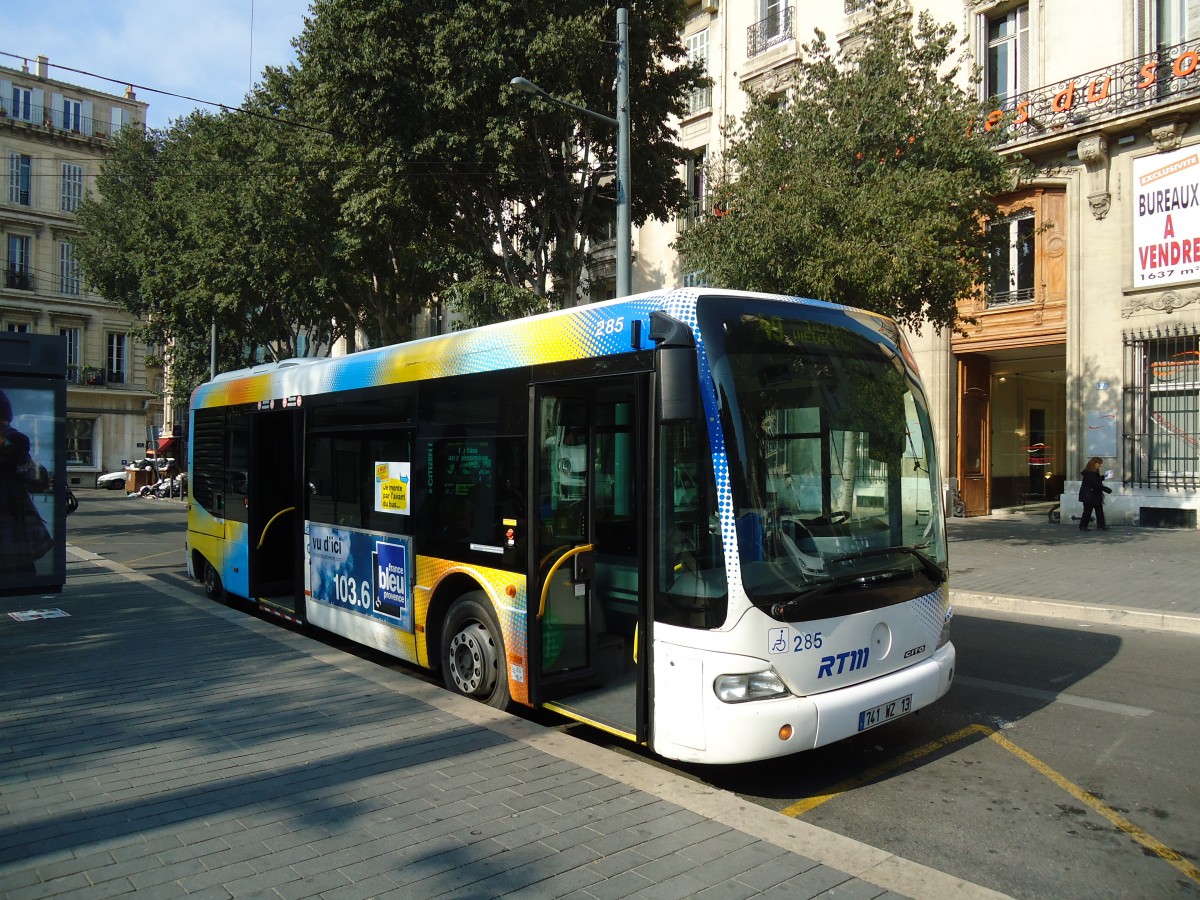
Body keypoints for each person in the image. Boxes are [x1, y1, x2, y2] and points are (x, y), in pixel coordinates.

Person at [0, 388, 54, 575]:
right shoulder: (13, 438)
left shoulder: (12, 439)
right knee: (19, 574)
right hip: (11, 526)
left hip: (10, 525)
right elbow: (36, 480)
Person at [1078, 456, 1112, 532]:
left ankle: (1101, 525)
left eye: (1100, 464)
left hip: (1094, 495)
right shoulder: (1089, 473)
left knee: (1099, 510)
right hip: (1089, 496)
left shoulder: (1094, 472)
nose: (1100, 465)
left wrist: (1105, 476)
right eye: (1098, 463)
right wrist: (1106, 489)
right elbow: (1095, 484)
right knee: (1087, 511)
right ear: (1094, 463)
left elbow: (1097, 480)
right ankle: (1083, 526)